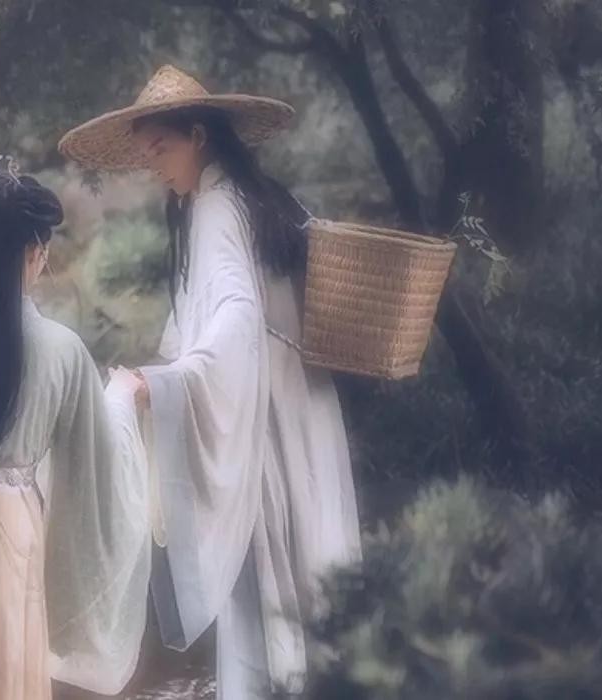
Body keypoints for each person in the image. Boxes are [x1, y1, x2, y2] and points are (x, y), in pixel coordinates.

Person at [59, 65, 362, 698]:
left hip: (264, 408)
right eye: (147, 155)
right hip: (291, 397)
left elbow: (235, 317)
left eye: (160, 149)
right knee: (301, 557)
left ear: (197, 135)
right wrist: (174, 366)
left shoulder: (218, 206)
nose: (154, 166)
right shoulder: (249, 196)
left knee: (264, 567)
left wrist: (167, 383)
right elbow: (212, 311)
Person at [0, 158, 152, 700]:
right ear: (34, 254)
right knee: (3, 664)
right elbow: (102, 460)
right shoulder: (59, 349)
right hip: (6, 526)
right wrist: (122, 395)